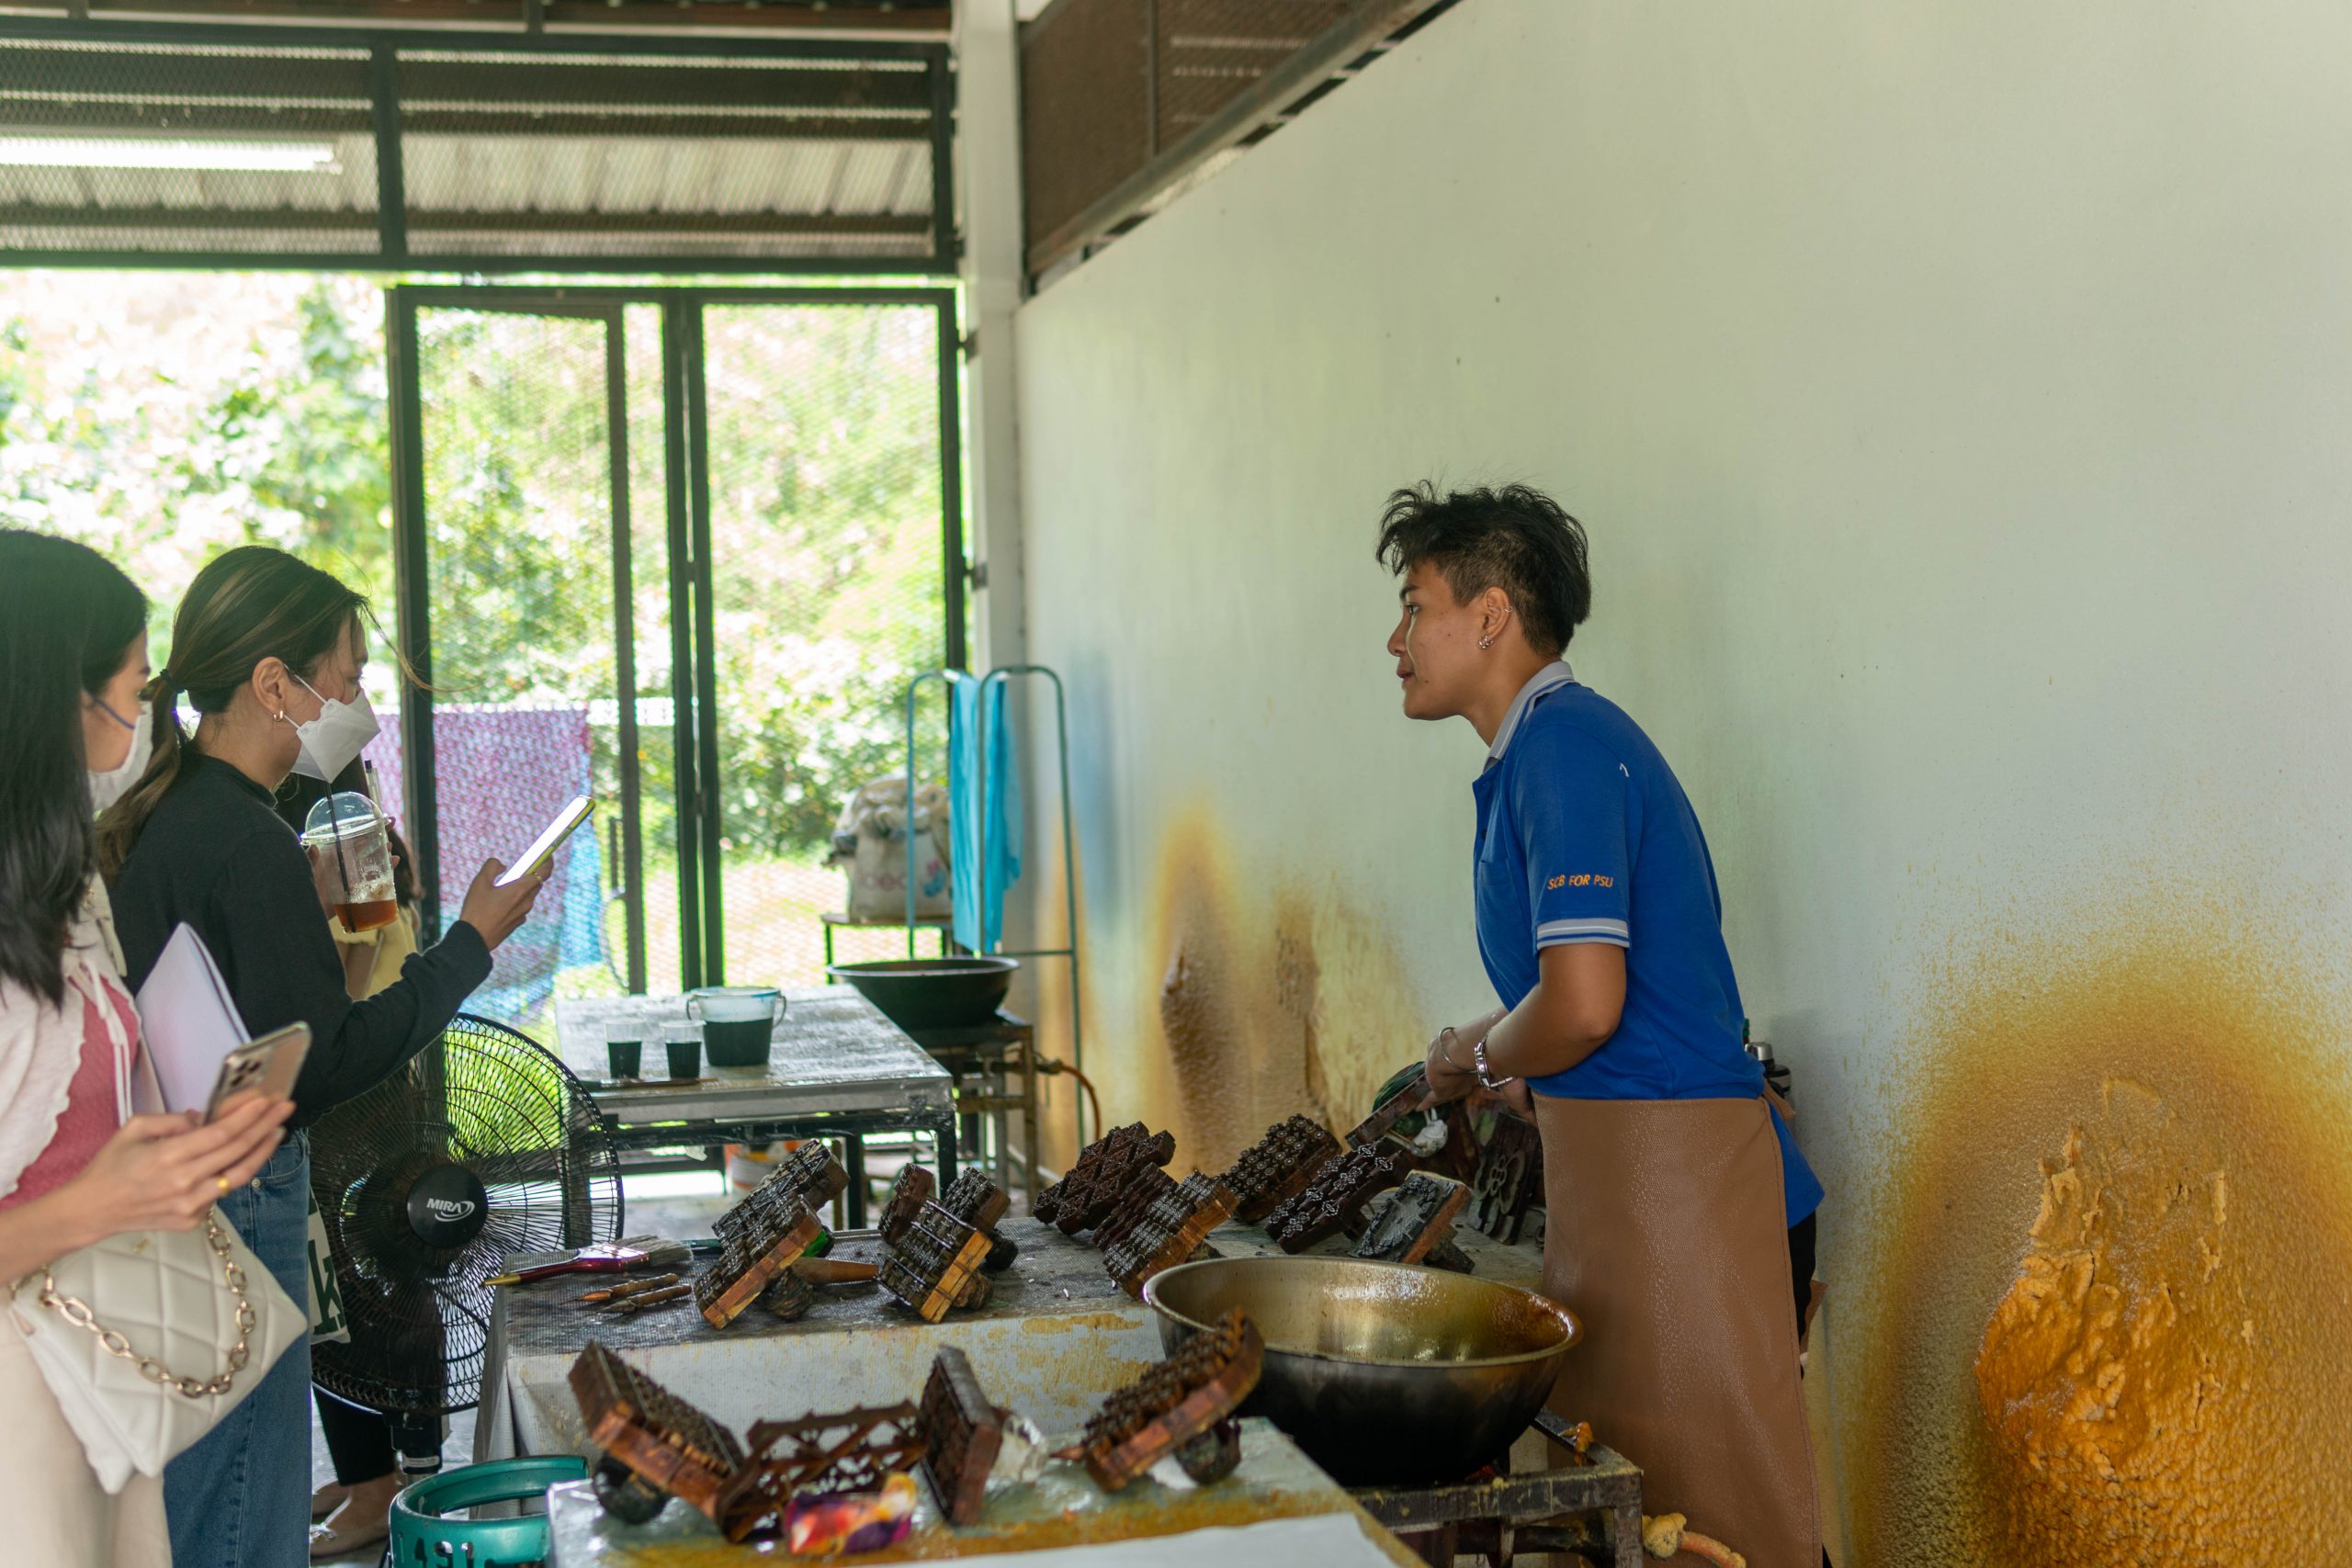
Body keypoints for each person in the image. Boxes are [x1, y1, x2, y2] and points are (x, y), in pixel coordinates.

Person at [1380, 483, 1825, 1568]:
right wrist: (1476, 1056)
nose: (1395, 640)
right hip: (1629, 1188)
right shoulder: (1535, 757)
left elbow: (1584, 1006)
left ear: (1490, 614)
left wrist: (1485, 1055)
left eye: (1414, 606)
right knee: (1651, 1526)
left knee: (1723, 1534)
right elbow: (1584, 994)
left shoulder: (1566, 751)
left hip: (1689, 1195)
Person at [99, 545, 548, 1568]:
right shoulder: (243, 837)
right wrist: (469, 945)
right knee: (245, 1508)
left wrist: (331, 939)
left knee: (209, 1492)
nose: (360, 706)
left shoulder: (183, 813)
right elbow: (327, 1062)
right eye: (346, 679)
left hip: (183, 1181)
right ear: (274, 684)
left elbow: (278, 1021)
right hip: (240, 1188)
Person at [0, 529, 293, 1568]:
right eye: (134, 693)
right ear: (56, 702)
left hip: (98, 1365)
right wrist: (101, 1202)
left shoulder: (64, 885)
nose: (143, 725)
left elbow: (92, 1112)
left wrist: (190, 1141)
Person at [274, 762, 430, 1560]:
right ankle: (371, 1469)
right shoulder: (373, 852)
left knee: (337, 1298)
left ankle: (374, 1484)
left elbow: (346, 986)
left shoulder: (345, 860)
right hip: (384, 1093)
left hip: (352, 1105)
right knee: (368, 1286)